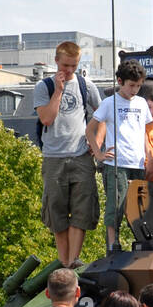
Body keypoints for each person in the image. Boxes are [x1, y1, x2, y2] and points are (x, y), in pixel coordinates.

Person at [34, 40, 102, 267]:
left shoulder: (86, 85)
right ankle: (64, 262)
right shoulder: (44, 87)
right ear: (56, 61)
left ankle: (74, 260)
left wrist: (97, 141)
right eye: (65, 65)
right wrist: (59, 91)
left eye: (73, 66)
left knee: (82, 210)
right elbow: (46, 118)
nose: (69, 70)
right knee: (57, 212)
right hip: (54, 157)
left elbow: (102, 116)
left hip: (81, 155)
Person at [87, 58, 151, 252]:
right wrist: (98, 154)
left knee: (139, 208)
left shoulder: (141, 103)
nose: (134, 90)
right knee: (116, 206)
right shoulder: (109, 102)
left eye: (138, 86)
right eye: (131, 85)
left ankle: (140, 244)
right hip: (117, 163)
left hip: (138, 163)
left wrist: (149, 158)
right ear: (120, 81)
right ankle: (112, 246)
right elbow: (89, 130)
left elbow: (145, 132)